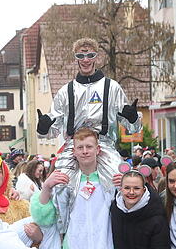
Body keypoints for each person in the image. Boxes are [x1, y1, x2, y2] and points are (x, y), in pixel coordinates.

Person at [36, 37, 141, 234]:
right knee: (61, 186)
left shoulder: (112, 88)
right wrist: (43, 128)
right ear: (75, 58)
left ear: (96, 57)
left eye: (90, 55)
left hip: (104, 145)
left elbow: (133, 128)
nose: (85, 60)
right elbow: (52, 129)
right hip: (74, 146)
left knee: (118, 183)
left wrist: (132, 117)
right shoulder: (66, 91)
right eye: (81, 56)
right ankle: (64, 235)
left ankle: (116, 233)